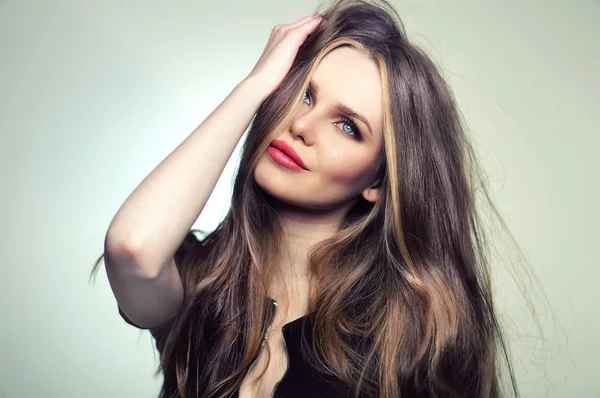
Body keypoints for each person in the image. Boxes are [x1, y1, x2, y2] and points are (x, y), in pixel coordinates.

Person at [90, 0, 526, 396]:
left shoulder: (408, 340)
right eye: (304, 94)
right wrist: (256, 84)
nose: (302, 125)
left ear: (378, 181)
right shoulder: (199, 284)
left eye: (348, 125)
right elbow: (134, 248)